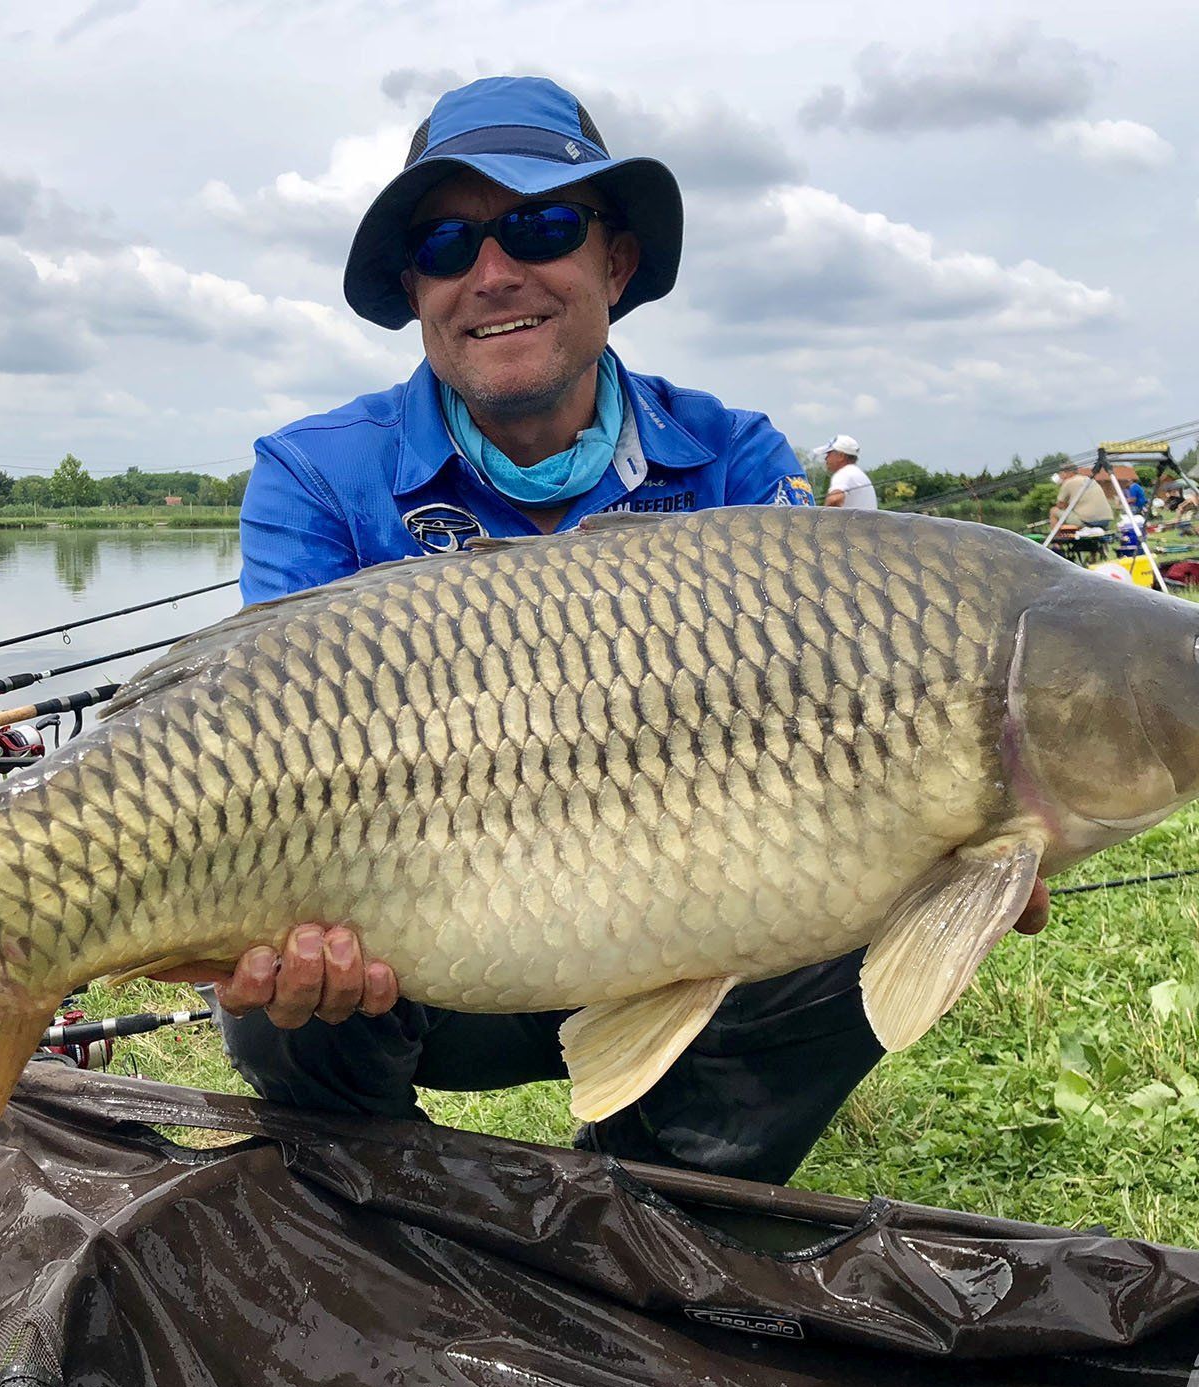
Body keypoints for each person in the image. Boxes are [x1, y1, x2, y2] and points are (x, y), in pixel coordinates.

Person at [165, 77, 1048, 1186]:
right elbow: (257, 750)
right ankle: (392, 1206)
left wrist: (949, 850)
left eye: (540, 226)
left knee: (866, 891)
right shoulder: (317, 475)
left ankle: (661, 1200)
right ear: (416, 287)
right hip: (426, 962)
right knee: (280, 984)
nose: (493, 274)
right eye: (447, 244)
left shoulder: (731, 460)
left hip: (693, 924)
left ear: (616, 263)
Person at [820, 435, 876, 509]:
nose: (826, 458)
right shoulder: (857, 473)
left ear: (841, 456)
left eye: (829, 454)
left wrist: (822, 517)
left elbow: (834, 499)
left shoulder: (844, 474)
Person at [1049, 465, 1114, 528]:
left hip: (1089, 522)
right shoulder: (1089, 479)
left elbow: (1060, 505)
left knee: (1053, 510)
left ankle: (1055, 537)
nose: (1060, 476)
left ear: (1065, 473)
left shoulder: (1068, 482)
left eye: (1060, 473)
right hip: (1106, 520)